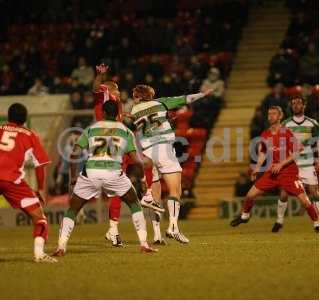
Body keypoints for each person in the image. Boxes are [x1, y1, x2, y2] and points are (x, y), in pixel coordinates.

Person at [52, 101, 157, 256]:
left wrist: (74, 177)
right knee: (134, 204)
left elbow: (74, 154)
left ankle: (61, 247)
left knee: (72, 210)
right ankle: (144, 245)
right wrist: (142, 176)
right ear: (118, 113)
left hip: (91, 173)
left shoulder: (91, 129)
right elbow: (135, 159)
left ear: (103, 112)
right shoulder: (125, 131)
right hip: (113, 173)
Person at [129, 84, 213, 243]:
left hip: (146, 154)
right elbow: (185, 99)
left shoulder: (133, 112)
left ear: (139, 97)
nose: (133, 99)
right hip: (163, 149)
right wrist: (203, 94)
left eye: (135, 96)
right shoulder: (161, 103)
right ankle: (173, 227)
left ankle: (157, 236)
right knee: (176, 190)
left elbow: (138, 130)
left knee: (155, 197)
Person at [92, 64, 161, 247]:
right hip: (111, 143)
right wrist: (100, 76)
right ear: (109, 88)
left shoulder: (117, 106)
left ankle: (145, 193)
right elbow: (95, 88)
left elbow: (121, 118)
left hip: (117, 142)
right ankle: (114, 229)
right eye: (116, 87)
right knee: (121, 185)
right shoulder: (105, 97)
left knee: (144, 165)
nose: (119, 90)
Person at [230, 106, 319, 233]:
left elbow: (298, 150)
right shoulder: (265, 134)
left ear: (280, 117)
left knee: (304, 201)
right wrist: (257, 168)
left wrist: (281, 164)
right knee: (250, 195)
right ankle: (245, 216)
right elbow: (263, 152)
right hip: (272, 172)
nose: (270, 116)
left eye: (273, 114)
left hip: (289, 172)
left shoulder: (286, 132)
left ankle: (317, 225)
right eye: (269, 114)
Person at [0, 103, 57, 263]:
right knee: (40, 218)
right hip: (12, 180)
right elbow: (40, 165)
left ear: (8, 116)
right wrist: (40, 188)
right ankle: (39, 254)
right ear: (25, 119)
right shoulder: (29, 135)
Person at [271, 97, 319, 233]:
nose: (296, 105)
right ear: (291, 107)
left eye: (299, 103)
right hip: (291, 165)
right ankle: (279, 221)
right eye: (293, 104)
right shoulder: (285, 124)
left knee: (314, 192)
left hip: (307, 163)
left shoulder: (312, 123)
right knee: (284, 193)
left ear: (304, 105)